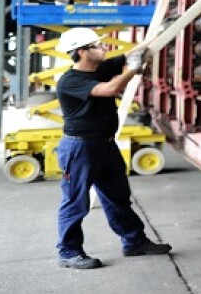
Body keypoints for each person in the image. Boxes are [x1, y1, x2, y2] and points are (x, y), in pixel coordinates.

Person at [54, 27, 171, 269]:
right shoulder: (70, 81)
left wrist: (162, 31)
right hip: (79, 148)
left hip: (105, 144)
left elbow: (135, 52)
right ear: (81, 52)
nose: (103, 48)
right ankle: (68, 252)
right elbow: (110, 89)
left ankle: (134, 242)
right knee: (75, 202)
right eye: (96, 46)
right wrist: (133, 71)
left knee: (118, 198)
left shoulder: (101, 69)